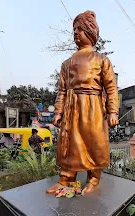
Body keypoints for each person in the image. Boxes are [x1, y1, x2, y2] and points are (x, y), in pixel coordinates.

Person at [46, 11, 118, 194]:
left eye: (80, 29)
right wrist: (58, 112)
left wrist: (113, 112)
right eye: (74, 30)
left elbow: (110, 88)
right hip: (72, 107)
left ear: (90, 32)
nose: (76, 33)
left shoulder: (102, 60)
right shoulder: (67, 63)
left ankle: (94, 178)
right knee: (69, 144)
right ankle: (66, 179)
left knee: (94, 142)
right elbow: (62, 90)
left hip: (93, 106)